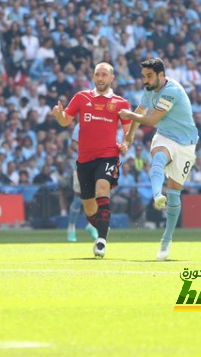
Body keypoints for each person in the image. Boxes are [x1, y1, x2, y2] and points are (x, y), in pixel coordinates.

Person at [119, 58, 199, 261]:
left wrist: (128, 115)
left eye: (149, 76)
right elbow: (140, 111)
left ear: (161, 75)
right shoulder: (150, 89)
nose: (145, 80)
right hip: (164, 136)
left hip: (186, 144)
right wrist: (128, 136)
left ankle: (167, 238)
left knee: (174, 193)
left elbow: (151, 119)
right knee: (159, 156)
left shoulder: (172, 91)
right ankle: (156, 196)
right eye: (143, 76)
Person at [52, 62, 131, 258]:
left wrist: (125, 144)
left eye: (105, 74)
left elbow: (128, 133)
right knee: (89, 208)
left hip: (108, 155)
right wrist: (59, 116)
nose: (101, 78)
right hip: (84, 159)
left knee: (102, 190)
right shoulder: (81, 97)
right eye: (98, 74)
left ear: (112, 78)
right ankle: (103, 225)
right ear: (93, 77)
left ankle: (101, 241)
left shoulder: (121, 103)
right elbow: (65, 122)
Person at [66, 124, 98, 242]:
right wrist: (86, 152)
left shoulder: (103, 123)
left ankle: (91, 225)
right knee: (79, 198)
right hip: (82, 165)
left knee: (98, 196)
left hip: (98, 165)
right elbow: (73, 144)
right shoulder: (81, 124)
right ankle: (71, 227)